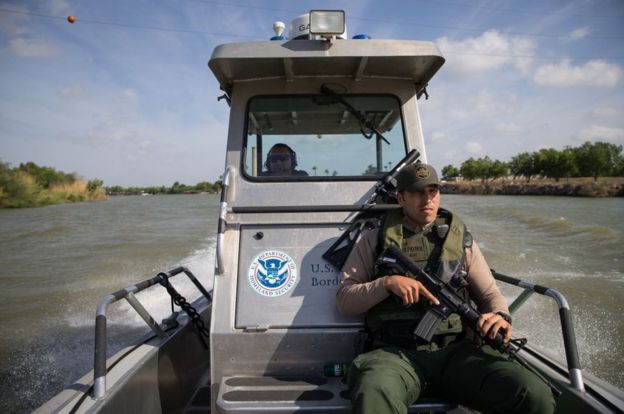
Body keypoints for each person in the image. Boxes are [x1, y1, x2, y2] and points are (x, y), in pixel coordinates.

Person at [336, 163, 556, 414]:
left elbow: (489, 295)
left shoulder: (460, 239)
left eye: (433, 191)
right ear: (400, 197)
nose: (427, 199)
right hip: (396, 355)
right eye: (418, 192)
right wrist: (387, 283)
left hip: (457, 354)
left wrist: (499, 316)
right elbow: (345, 300)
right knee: (373, 391)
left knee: (532, 393)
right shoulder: (374, 239)